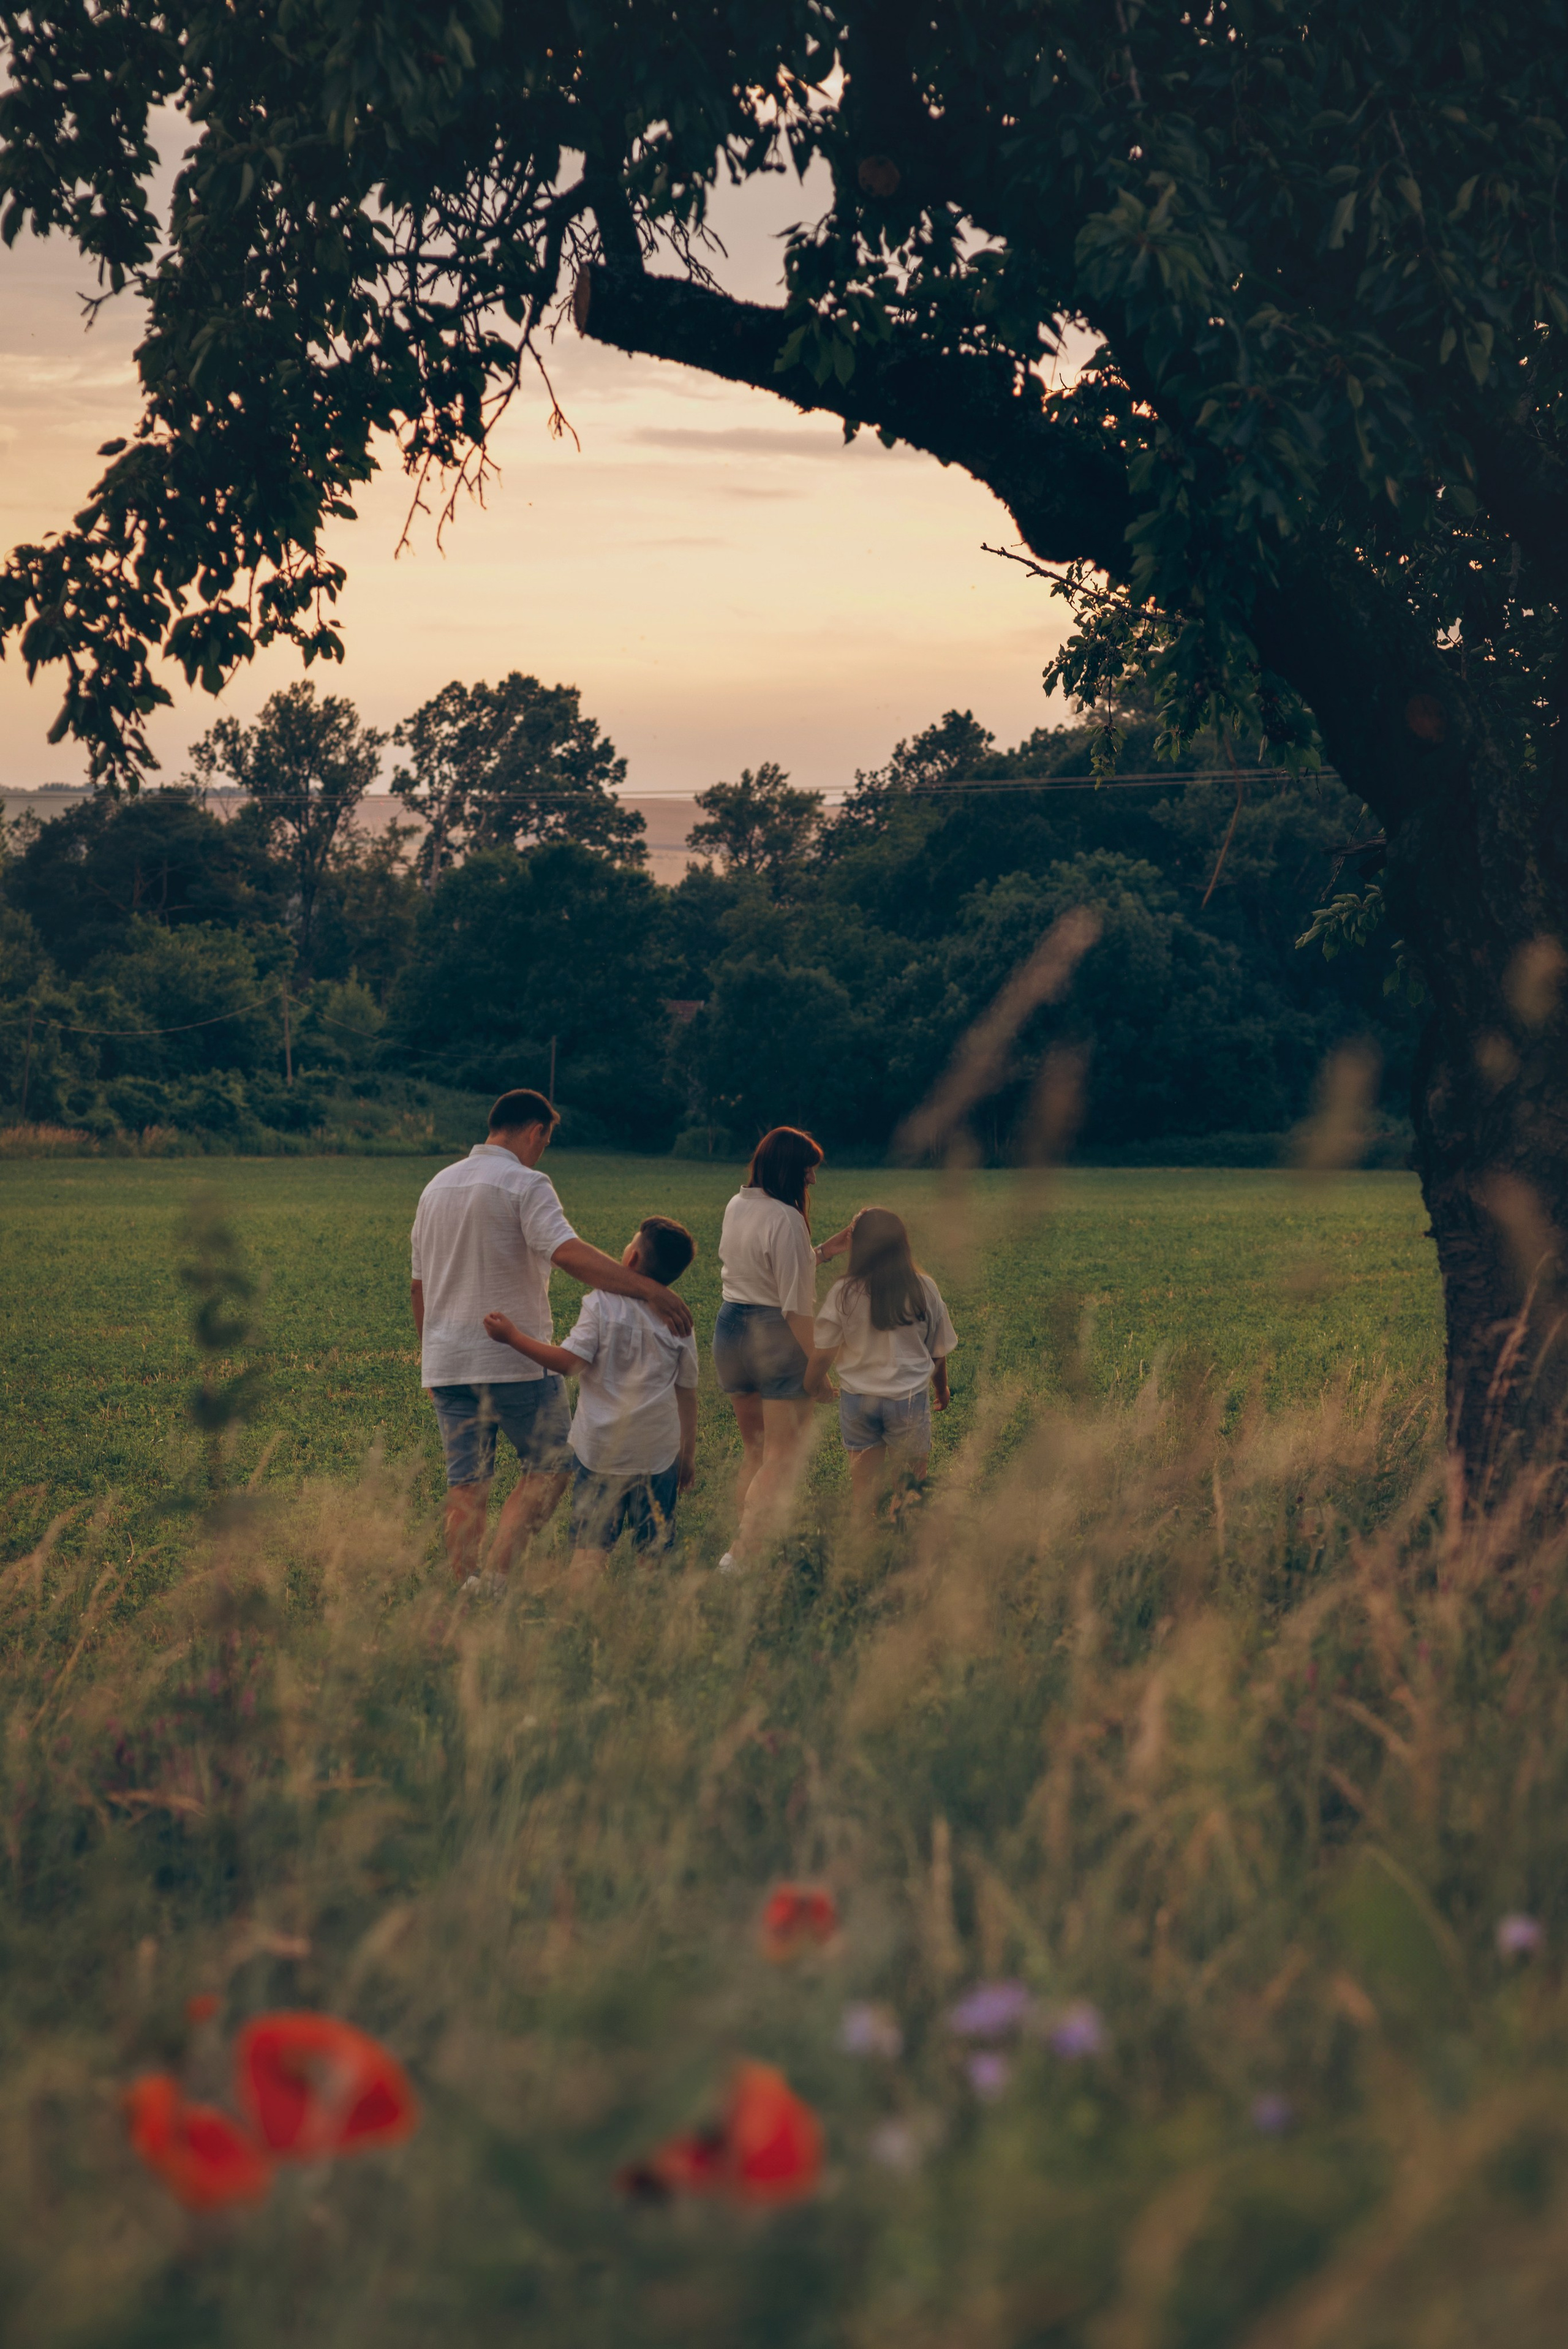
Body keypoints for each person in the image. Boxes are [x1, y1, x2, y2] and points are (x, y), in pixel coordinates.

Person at [410, 1089, 694, 1585]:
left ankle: (465, 1585)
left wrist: (429, 1357)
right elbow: (567, 1254)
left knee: (467, 1483)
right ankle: (498, 1577)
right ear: (536, 1131)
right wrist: (650, 1289)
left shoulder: (435, 1187)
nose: (543, 1151)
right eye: (545, 1140)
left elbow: (418, 1284)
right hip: (515, 1364)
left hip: (447, 1360)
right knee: (551, 1467)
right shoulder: (526, 1182)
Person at [483, 1215, 699, 1590]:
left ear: (630, 1261)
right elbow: (687, 1392)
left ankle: (579, 1620)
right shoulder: (679, 1320)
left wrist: (513, 1337)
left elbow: (568, 1363)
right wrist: (687, 1454)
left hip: (600, 1453)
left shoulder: (601, 1305)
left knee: (589, 1550)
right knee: (654, 1553)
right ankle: (647, 1622)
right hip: (658, 1454)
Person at [711, 1125, 852, 1570]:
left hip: (731, 1328)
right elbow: (794, 1308)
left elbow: (766, 1268)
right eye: (808, 1171)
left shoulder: (738, 1204)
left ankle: (750, 1542)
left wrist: (826, 1251)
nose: (812, 1180)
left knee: (757, 1452)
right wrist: (820, 1372)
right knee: (781, 1456)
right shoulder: (787, 1219)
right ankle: (743, 1553)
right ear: (789, 1170)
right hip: (775, 1334)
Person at [807, 1207, 957, 1530]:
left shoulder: (844, 1293)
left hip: (858, 1400)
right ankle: (900, 1542)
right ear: (903, 1244)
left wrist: (814, 1383)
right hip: (908, 1399)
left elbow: (823, 1352)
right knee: (910, 1484)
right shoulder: (924, 1289)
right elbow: (938, 1352)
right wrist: (942, 1389)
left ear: (857, 1247)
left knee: (863, 1488)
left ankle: (862, 1546)